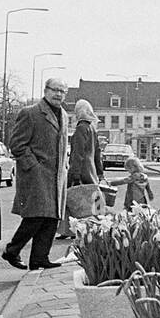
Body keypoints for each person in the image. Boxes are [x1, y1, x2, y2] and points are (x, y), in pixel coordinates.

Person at [3, 77, 69, 271]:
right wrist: (33, 167)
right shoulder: (30, 113)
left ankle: (40, 258)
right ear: (46, 90)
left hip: (56, 175)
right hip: (37, 175)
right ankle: (12, 250)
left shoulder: (63, 114)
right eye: (55, 90)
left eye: (62, 91)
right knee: (36, 215)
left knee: (52, 217)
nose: (58, 94)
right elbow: (16, 144)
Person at [58, 99, 103, 240]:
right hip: (92, 170)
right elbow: (97, 153)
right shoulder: (92, 128)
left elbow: (77, 153)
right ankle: (94, 226)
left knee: (71, 199)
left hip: (81, 169)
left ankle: (69, 230)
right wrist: (100, 172)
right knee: (92, 201)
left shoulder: (80, 128)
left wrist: (75, 174)